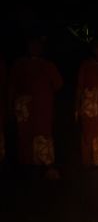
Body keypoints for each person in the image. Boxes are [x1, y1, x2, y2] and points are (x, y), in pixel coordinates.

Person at [9, 34, 63, 173]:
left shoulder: (47, 65)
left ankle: (45, 162)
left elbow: (58, 84)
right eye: (31, 45)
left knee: (42, 132)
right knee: (25, 133)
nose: (34, 48)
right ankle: (27, 164)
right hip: (24, 107)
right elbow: (12, 84)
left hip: (42, 107)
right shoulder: (19, 64)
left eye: (37, 45)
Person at [76, 35, 98, 166]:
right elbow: (80, 87)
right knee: (88, 132)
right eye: (97, 46)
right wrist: (77, 107)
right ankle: (88, 161)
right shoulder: (86, 65)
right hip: (88, 106)